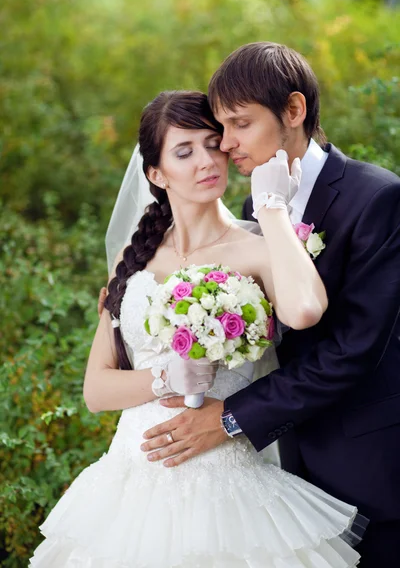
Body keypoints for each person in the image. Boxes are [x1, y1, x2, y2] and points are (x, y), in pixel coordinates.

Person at [29, 90, 365, 567]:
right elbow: (96, 390)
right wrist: (166, 377)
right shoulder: (134, 262)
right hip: (129, 489)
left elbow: (306, 311)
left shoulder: (257, 245)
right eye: (184, 152)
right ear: (156, 173)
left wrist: (272, 210)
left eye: (213, 144)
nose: (207, 161)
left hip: (227, 482)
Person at [142, 43, 400, 567]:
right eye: (222, 126)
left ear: (294, 111)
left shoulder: (376, 198)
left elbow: (352, 350)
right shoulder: (247, 207)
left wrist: (231, 418)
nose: (226, 145)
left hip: (369, 462)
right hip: (284, 460)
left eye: (240, 124)